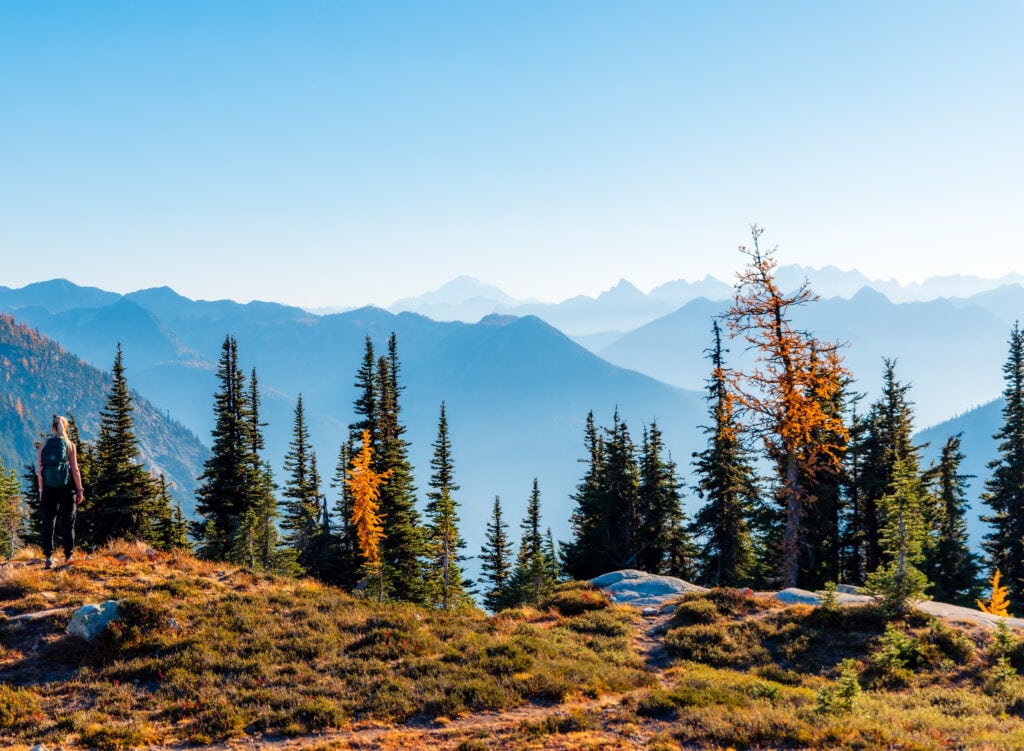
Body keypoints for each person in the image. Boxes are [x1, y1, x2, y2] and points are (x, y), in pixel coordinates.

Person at [37, 415, 84, 569]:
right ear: (66, 427)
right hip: (66, 487)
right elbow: (75, 470)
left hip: (49, 487)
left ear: (53, 427)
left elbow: (40, 470)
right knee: (68, 522)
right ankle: (68, 556)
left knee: (48, 522)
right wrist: (79, 489)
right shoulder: (70, 445)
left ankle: (49, 558)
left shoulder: (44, 444)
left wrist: (41, 490)